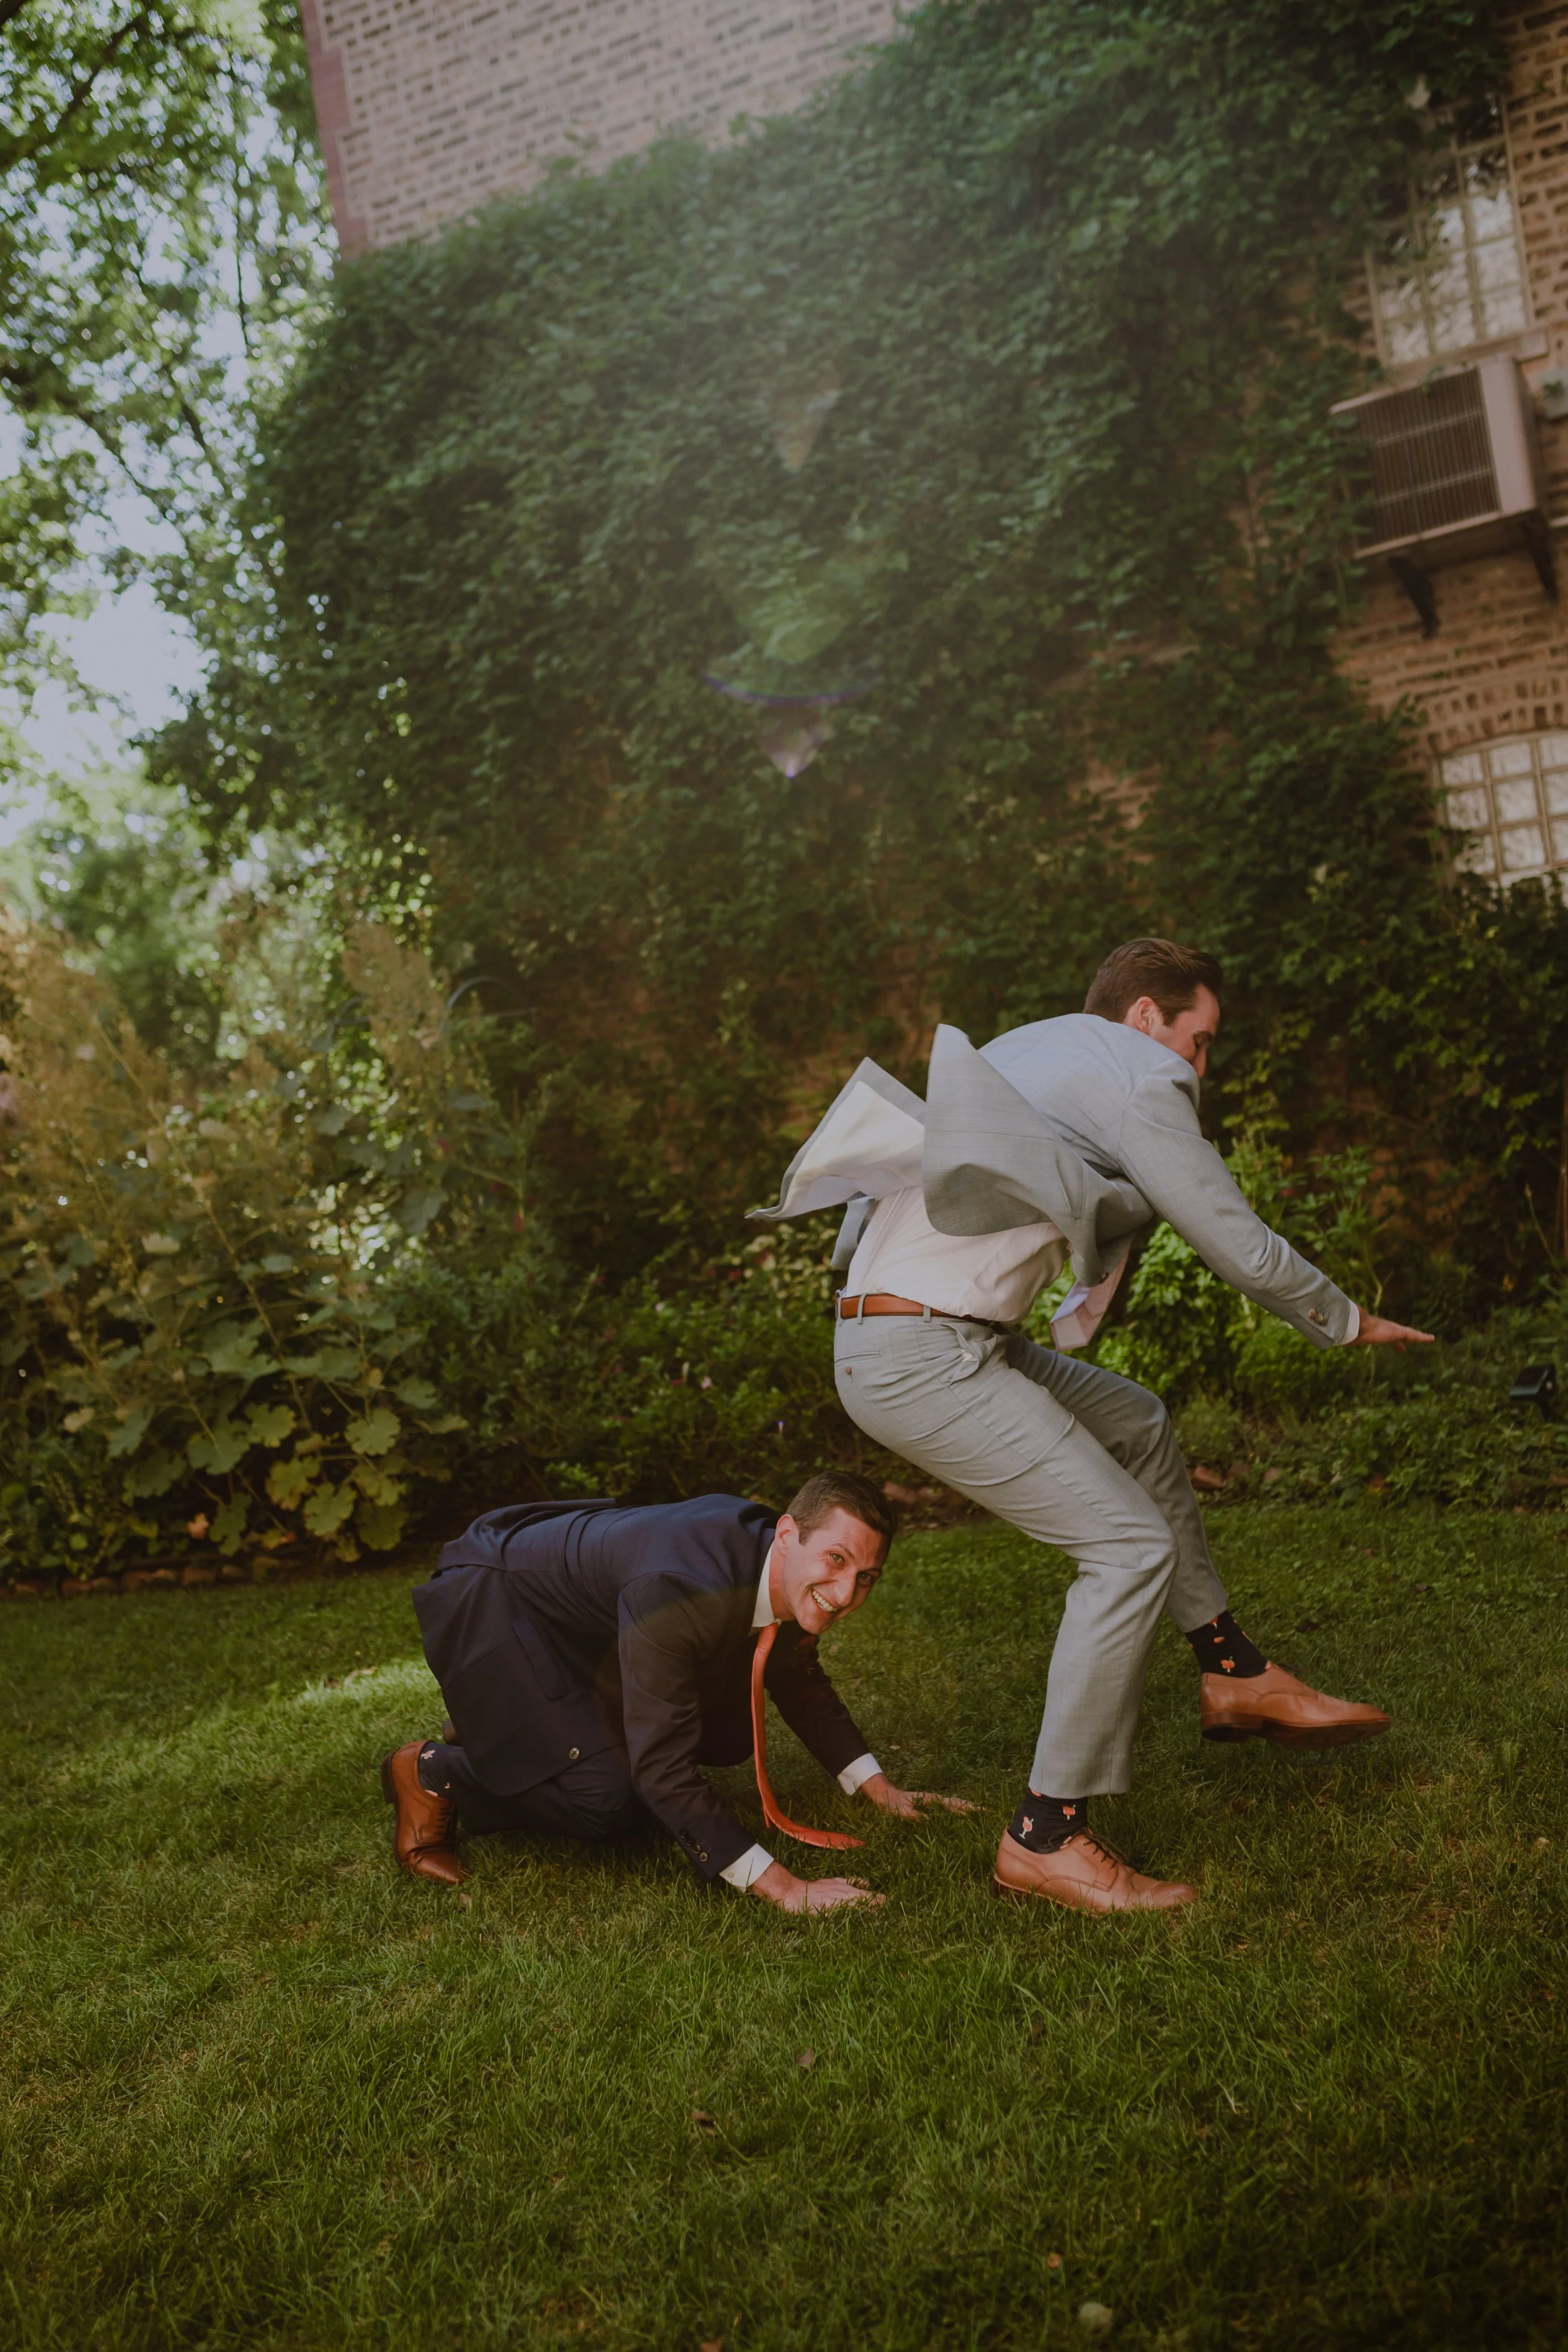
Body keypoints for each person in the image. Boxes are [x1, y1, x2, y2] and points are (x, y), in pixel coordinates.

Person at [758, 938, 1433, 1915]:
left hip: (923, 1336)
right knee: (1125, 1546)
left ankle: (1233, 1670)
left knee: (1137, 1420)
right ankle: (1045, 1835)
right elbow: (1220, 1220)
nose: (1197, 1068)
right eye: (1198, 1039)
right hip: (921, 1353)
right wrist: (1343, 1316)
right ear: (1147, 1017)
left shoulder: (1036, 1047)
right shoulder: (1134, 1067)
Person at [381, 1469, 970, 1911]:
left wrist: (880, 1789)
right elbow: (660, 1765)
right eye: (837, 1560)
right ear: (789, 1533)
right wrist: (787, 1887)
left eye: (865, 1578)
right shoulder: (681, 1586)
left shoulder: (779, 1563)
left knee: (729, 1727)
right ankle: (434, 1770)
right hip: (498, 1602)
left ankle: (517, 1726)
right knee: (606, 1798)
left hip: (586, 1618)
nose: (844, 1595)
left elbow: (797, 1676)